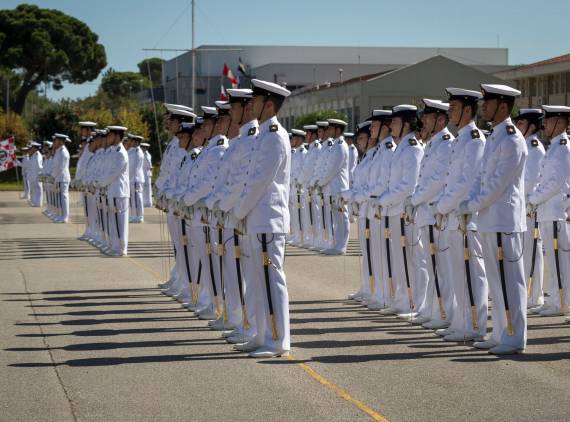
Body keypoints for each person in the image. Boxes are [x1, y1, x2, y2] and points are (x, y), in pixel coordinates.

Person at [458, 84, 528, 355]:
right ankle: (500, 332)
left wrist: (471, 205)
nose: (483, 106)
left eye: (488, 101)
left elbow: (497, 185)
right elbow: (479, 178)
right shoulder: (495, 137)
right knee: (497, 282)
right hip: (489, 219)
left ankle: (513, 336)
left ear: (503, 105)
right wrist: (470, 204)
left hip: (503, 221)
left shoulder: (512, 140)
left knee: (509, 282)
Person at [231, 78, 292, 358]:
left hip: (268, 223)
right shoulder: (262, 136)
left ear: (268, 104)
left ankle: (278, 340)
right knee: (257, 280)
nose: (250, 105)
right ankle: (260, 333)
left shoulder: (275, 136)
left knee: (269, 277)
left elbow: (259, 182)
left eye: (255, 100)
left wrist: (239, 211)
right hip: (257, 222)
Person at [433, 88, 487, 341]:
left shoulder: (475, 139)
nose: (449, 112)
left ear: (467, 110)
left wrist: (442, 206)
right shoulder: (460, 140)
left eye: (453, 108)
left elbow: (465, 183)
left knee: (472, 274)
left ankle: (474, 325)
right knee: (457, 273)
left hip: (467, 218)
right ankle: (460, 321)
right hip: (455, 218)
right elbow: (449, 180)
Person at [405, 99, 454, 326]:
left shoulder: (445, 144)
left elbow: (437, 181)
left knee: (441, 266)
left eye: (428, 116)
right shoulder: (434, 143)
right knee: (431, 263)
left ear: (441, 120)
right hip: (427, 212)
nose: (423, 120)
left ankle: (443, 314)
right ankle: (432, 309)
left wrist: (415, 199)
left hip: (436, 212)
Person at [374, 105, 423, 318]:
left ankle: (413, 302)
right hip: (394, 210)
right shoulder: (401, 146)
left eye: (395, 122)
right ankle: (402, 298)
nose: (391, 126)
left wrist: (384, 200)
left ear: (407, 124)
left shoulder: (412, 148)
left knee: (410, 258)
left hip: (403, 210)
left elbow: (408, 185)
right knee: (399, 258)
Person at [527, 105, 570, 318]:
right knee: (552, 261)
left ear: (560, 124)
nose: (545, 125)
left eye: (550, 121)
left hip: (556, 212)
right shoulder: (554, 147)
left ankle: (562, 301)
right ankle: (554, 298)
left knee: (560, 259)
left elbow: (555, 182)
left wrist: (533, 199)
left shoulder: (563, 147)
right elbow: (542, 180)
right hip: (547, 211)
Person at [514, 109, 546, 311]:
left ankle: (534, 296)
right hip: (522, 206)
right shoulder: (525, 145)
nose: (518, 126)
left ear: (532, 127)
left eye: (522, 123)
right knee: (525, 252)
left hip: (529, 207)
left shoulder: (534, 148)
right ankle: (529, 293)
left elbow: (530, 180)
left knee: (532, 252)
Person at [97, 126, 130, 256]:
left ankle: (121, 249)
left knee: (119, 221)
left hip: (119, 192)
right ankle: (114, 246)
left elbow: (113, 174)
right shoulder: (113, 151)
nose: (108, 138)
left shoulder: (121, 153)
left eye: (110, 135)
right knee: (113, 220)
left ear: (117, 136)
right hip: (112, 191)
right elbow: (106, 171)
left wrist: (99, 183)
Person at [50, 133, 71, 223]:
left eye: (56, 140)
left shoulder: (63, 152)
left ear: (60, 141)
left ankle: (65, 216)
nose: (54, 142)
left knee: (63, 197)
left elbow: (60, 168)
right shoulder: (58, 151)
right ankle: (60, 215)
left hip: (62, 178)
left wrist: (52, 177)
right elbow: (55, 166)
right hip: (58, 178)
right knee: (59, 198)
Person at [127, 134, 145, 223]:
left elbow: (134, 167)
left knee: (137, 198)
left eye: (133, 141)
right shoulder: (132, 150)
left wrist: (128, 177)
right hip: (132, 178)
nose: (131, 142)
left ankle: (139, 216)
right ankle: (133, 215)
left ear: (137, 142)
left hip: (135, 178)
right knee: (132, 198)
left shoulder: (138, 152)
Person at [26, 142, 43, 207]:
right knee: (34, 189)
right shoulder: (33, 155)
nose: (31, 149)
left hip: (37, 174)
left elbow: (39, 166)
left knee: (38, 189)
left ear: (35, 148)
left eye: (32, 148)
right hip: (33, 175)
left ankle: (38, 203)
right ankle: (35, 201)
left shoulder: (37, 154)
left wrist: (41, 173)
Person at [140, 142, 153, 207]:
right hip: (141, 172)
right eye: (143, 147)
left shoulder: (148, 154)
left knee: (148, 188)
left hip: (147, 173)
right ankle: (143, 202)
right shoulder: (139, 154)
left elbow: (149, 164)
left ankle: (148, 203)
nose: (144, 148)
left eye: (145, 147)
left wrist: (151, 169)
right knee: (142, 188)